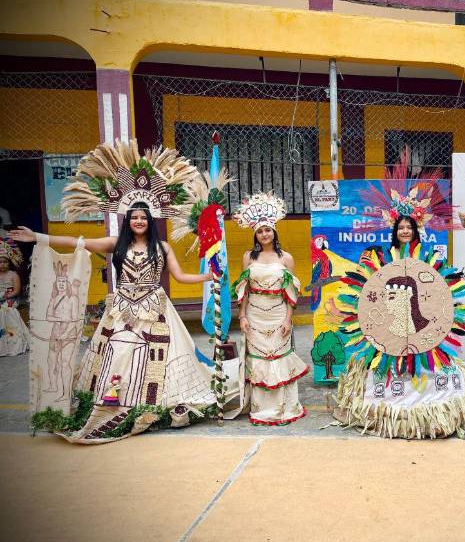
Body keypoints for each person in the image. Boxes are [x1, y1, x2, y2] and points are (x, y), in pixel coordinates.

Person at [13, 139, 220, 443]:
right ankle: (113, 402)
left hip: (155, 309)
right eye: (134, 217)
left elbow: (180, 276)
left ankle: (151, 407)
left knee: (159, 358)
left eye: (143, 217)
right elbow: (78, 243)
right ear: (128, 220)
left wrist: (207, 277)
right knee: (117, 353)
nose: (138, 221)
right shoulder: (115, 243)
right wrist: (39, 237)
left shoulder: (162, 247)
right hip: (121, 309)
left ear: (150, 220)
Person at [333, 181, 465, 439]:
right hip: (388, 340)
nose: (405, 231)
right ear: (395, 230)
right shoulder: (384, 258)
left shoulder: (427, 258)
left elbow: (439, 291)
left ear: (416, 230)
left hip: (423, 340)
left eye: (409, 227)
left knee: (435, 366)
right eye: (401, 227)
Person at [231, 191, 308, 426]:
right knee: (258, 360)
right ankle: (261, 409)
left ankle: (284, 408)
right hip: (254, 315)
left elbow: (291, 292)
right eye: (260, 231)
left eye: (268, 230)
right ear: (255, 234)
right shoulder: (248, 257)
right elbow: (244, 288)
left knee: (278, 358)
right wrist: (242, 316)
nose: (264, 234)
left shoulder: (286, 259)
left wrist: (288, 319)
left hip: (278, 315)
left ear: (274, 231)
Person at [0, 238, 31, 356]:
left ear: (9, 263)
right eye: (0, 262)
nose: (2, 264)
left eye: (5, 262)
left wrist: (5, 296)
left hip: (11, 299)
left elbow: (16, 291)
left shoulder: (13, 275)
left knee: (7, 310)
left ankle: (12, 341)